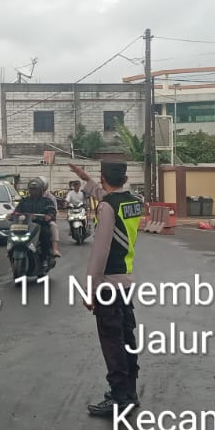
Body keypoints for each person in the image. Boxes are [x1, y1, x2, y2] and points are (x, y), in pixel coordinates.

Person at [82, 162, 145, 417]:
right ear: (126, 178)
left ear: (103, 178)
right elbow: (109, 197)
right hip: (125, 280)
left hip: (108, 281)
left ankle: (119, 398)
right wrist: (87, 180)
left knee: (112, 341)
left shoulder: (107, 207)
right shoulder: (133, 202)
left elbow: (100, 251)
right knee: (126, 336)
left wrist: (90, 289)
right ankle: (130, 392)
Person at [12, 178, 57, 261]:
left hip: (40, 224)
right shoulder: (24, 201)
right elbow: (17, 211)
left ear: (41, 190)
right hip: (25, 225)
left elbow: (52, 210)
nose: (33, 191)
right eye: (32, 189)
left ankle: (44, 258)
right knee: (12, 233)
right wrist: (12, 214)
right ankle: (11, 251)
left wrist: (49, 215)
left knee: (46, 233)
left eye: (36, 189)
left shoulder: (47, 201)